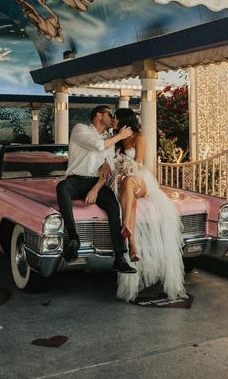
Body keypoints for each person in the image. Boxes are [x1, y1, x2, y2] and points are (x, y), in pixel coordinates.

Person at [112, 108, 186, 302]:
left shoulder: (139, 137)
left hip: (140, 179)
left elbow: (138, 162)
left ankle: (125, 228)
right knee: (130, 198)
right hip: (120, 181)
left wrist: (126, 171)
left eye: (115, 118)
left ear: (123, 120)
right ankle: (133, 245)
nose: (113, 120)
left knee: (128, 184)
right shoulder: (117, 140)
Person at [56, 106, 137, 274]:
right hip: (76, 179)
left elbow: (108, 169)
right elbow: (97, 145)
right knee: (62, 187)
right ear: (98, 115)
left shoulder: (109, 138)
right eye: (109, 114)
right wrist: (120, 136)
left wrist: (95, 189)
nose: (112, 117)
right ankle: (73, 237)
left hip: (97, 182)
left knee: (114, 207)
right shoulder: (80, 129)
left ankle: (120, 257)